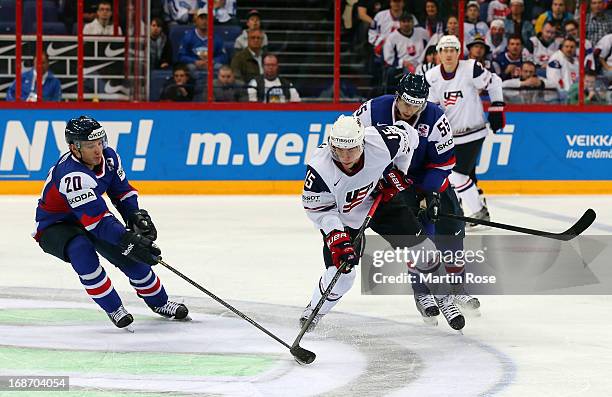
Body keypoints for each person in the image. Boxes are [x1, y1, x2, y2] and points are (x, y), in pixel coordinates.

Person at [300, 114, 466, 331]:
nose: (345, 156)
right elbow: (320, 211)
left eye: (351, 149)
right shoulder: (319, 169)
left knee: (424, 250)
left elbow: (411, 136)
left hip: (379, 202)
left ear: (362, 143)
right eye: (339, 149)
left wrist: (398, 173)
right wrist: (337, 239)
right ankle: (314, 311)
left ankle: (444, 299)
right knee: (343, 275)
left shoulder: (381, 141)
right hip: (343, 218)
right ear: (332, 145)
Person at [33, 116, 189, 330]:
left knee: (132, 259)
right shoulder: (72, 175)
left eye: (99, 142)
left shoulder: (109, 157)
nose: (98, 150)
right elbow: (97, 222)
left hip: (90, 217)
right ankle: (113, 308)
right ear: (74, 148)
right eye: (90, 146)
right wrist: (128, 239)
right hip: (56, 224)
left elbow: (121, 191)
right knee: (82, 251)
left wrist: (134, 215)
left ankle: (160, 303)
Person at [353, 73, 479, 326]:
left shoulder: (434, 117)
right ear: (397, 97)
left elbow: (444, 162)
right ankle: (422, 292)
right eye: (406, 103)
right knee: (419, 235)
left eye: (417, 104)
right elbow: (354, 149)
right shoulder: (371, 111)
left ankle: (457, 287)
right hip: (388, 178)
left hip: (426, 177)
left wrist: (431, 192)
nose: (410, 110)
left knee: (453, 228)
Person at [425, 35, 505, 224]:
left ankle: (479, 211)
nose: (449, 54)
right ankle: (466, 205)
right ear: (438, 53)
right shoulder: (432, 77)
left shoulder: (471, 68)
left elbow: (494, 82)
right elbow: (432, 108)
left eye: (453, 50)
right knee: (459, 176)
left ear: (459, 52)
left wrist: (497, 106)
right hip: (450, 137)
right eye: (445, 50)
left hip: (473, 133)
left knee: (458, 175)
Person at [177, 8, 227, 73]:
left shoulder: (217, 38)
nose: (204, 21)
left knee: (219, 67)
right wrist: (194, 61)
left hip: (211, 65)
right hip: (194, 65)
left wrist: (213, 61)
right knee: (190, 67)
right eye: (201, 18)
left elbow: (223, 56)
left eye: (207, 18)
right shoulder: (188, 37)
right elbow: (181, 56)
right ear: (196, 20)